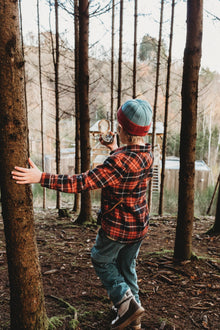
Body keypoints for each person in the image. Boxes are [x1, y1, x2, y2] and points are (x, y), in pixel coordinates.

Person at [12, 99, 153, 330]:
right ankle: (133, 315)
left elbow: (82, 182)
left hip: (117, 228)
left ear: (120, 128)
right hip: (139, 227)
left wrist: (41, 178)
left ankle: (125, 303)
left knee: (101, 259)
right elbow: (129, 167)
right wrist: (115, 149)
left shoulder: (117, 162)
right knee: (127, 266)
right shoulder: (147, 154)